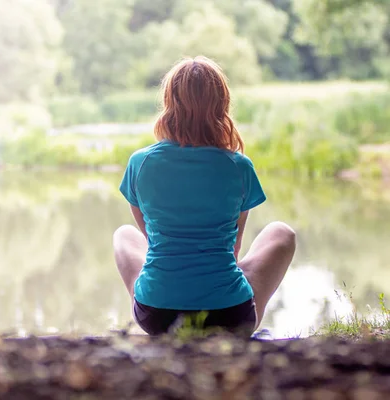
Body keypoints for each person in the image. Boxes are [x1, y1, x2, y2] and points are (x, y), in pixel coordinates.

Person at [113, 56, 296, 337]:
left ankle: (163, 300)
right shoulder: (239, 166)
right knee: (282, 233)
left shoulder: (141, 163)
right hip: (230, 317)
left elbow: (151, 240)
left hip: (157, 316)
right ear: (222, 104)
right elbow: (233, 251)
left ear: (169, 103)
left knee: (124, 236)